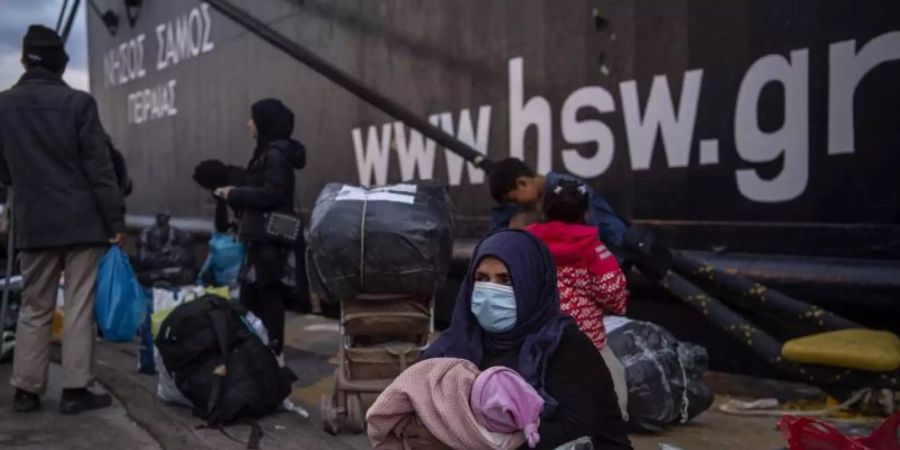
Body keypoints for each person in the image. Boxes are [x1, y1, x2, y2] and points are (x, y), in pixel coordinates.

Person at [410, 229, 632, 450]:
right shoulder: (455, 345)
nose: (491, 291)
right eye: (482, 278)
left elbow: (568, 435)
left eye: (505, 280)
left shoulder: (566, 347)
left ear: (532, 284)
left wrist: (455, 444)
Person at [0, 25, 125, 414]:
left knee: (34, 306)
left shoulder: (3, 105)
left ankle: (26, 389)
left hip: (33, 221)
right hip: (81, 222)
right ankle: (75, 390)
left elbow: (3, 171)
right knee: (78, 304)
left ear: (23, 60)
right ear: (60, 64)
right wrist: (115, 221)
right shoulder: (79, 104)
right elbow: (99, 170)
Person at [526, 179, 630, 420]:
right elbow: (613, 291)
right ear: (585, 212)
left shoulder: (528, 244)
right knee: (612, 392)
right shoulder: (594, 249)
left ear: (544, 210)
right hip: (586, 341)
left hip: (535, 339)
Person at [214, 98, 306, 357]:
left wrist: (234, 194)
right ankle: (257, 349)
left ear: (265, 122)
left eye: (252, 119)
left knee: (267, 293)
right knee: (253, 294)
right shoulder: (271, 152)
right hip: (264, 235)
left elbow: (271, 194)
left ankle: (273, 351)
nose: (248, 124)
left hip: (269, 237)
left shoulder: (274, 155)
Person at [488, 158, 627, 248]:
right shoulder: (535, 199)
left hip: (612, 255)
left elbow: (592, 236)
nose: (516, 205)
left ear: (522, 183)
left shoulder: (570, 190)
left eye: (514, 200)